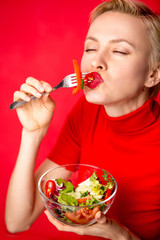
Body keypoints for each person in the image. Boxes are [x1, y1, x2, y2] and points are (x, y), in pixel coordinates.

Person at [5, 0, 160, 239]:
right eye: (90, 48)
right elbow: (17, 221)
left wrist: (120, 235)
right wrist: (32, 133)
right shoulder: (87, 112)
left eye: (119, 50)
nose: (95, 62)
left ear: (153, 74)